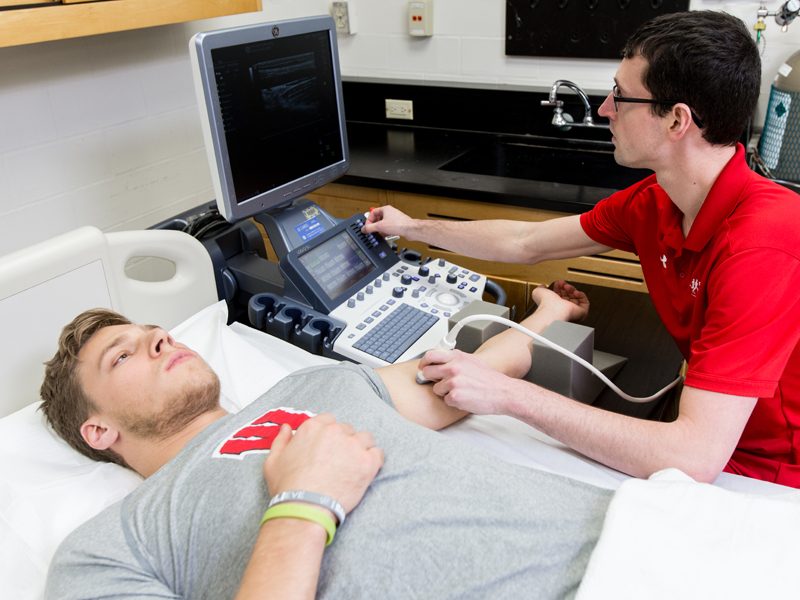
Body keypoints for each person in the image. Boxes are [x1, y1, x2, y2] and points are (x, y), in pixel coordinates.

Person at [363, 10, 800, 488]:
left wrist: (506, 394)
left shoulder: (764, 244)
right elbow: (525, 241)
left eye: (622, 95)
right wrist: (412, 227)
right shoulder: (656, 202)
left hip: (770, 468)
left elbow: (694, 456)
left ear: (677, 120)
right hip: (715, 435)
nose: (606, 108)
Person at [42, 285, 610, 599]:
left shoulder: (316, 382)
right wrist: (302, 506)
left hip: (634, 531)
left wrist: (550, 312)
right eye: (122, 355)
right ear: (98, 430)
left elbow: (474, 374)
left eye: (153, 333)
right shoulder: (109, 547)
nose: (160, 339)